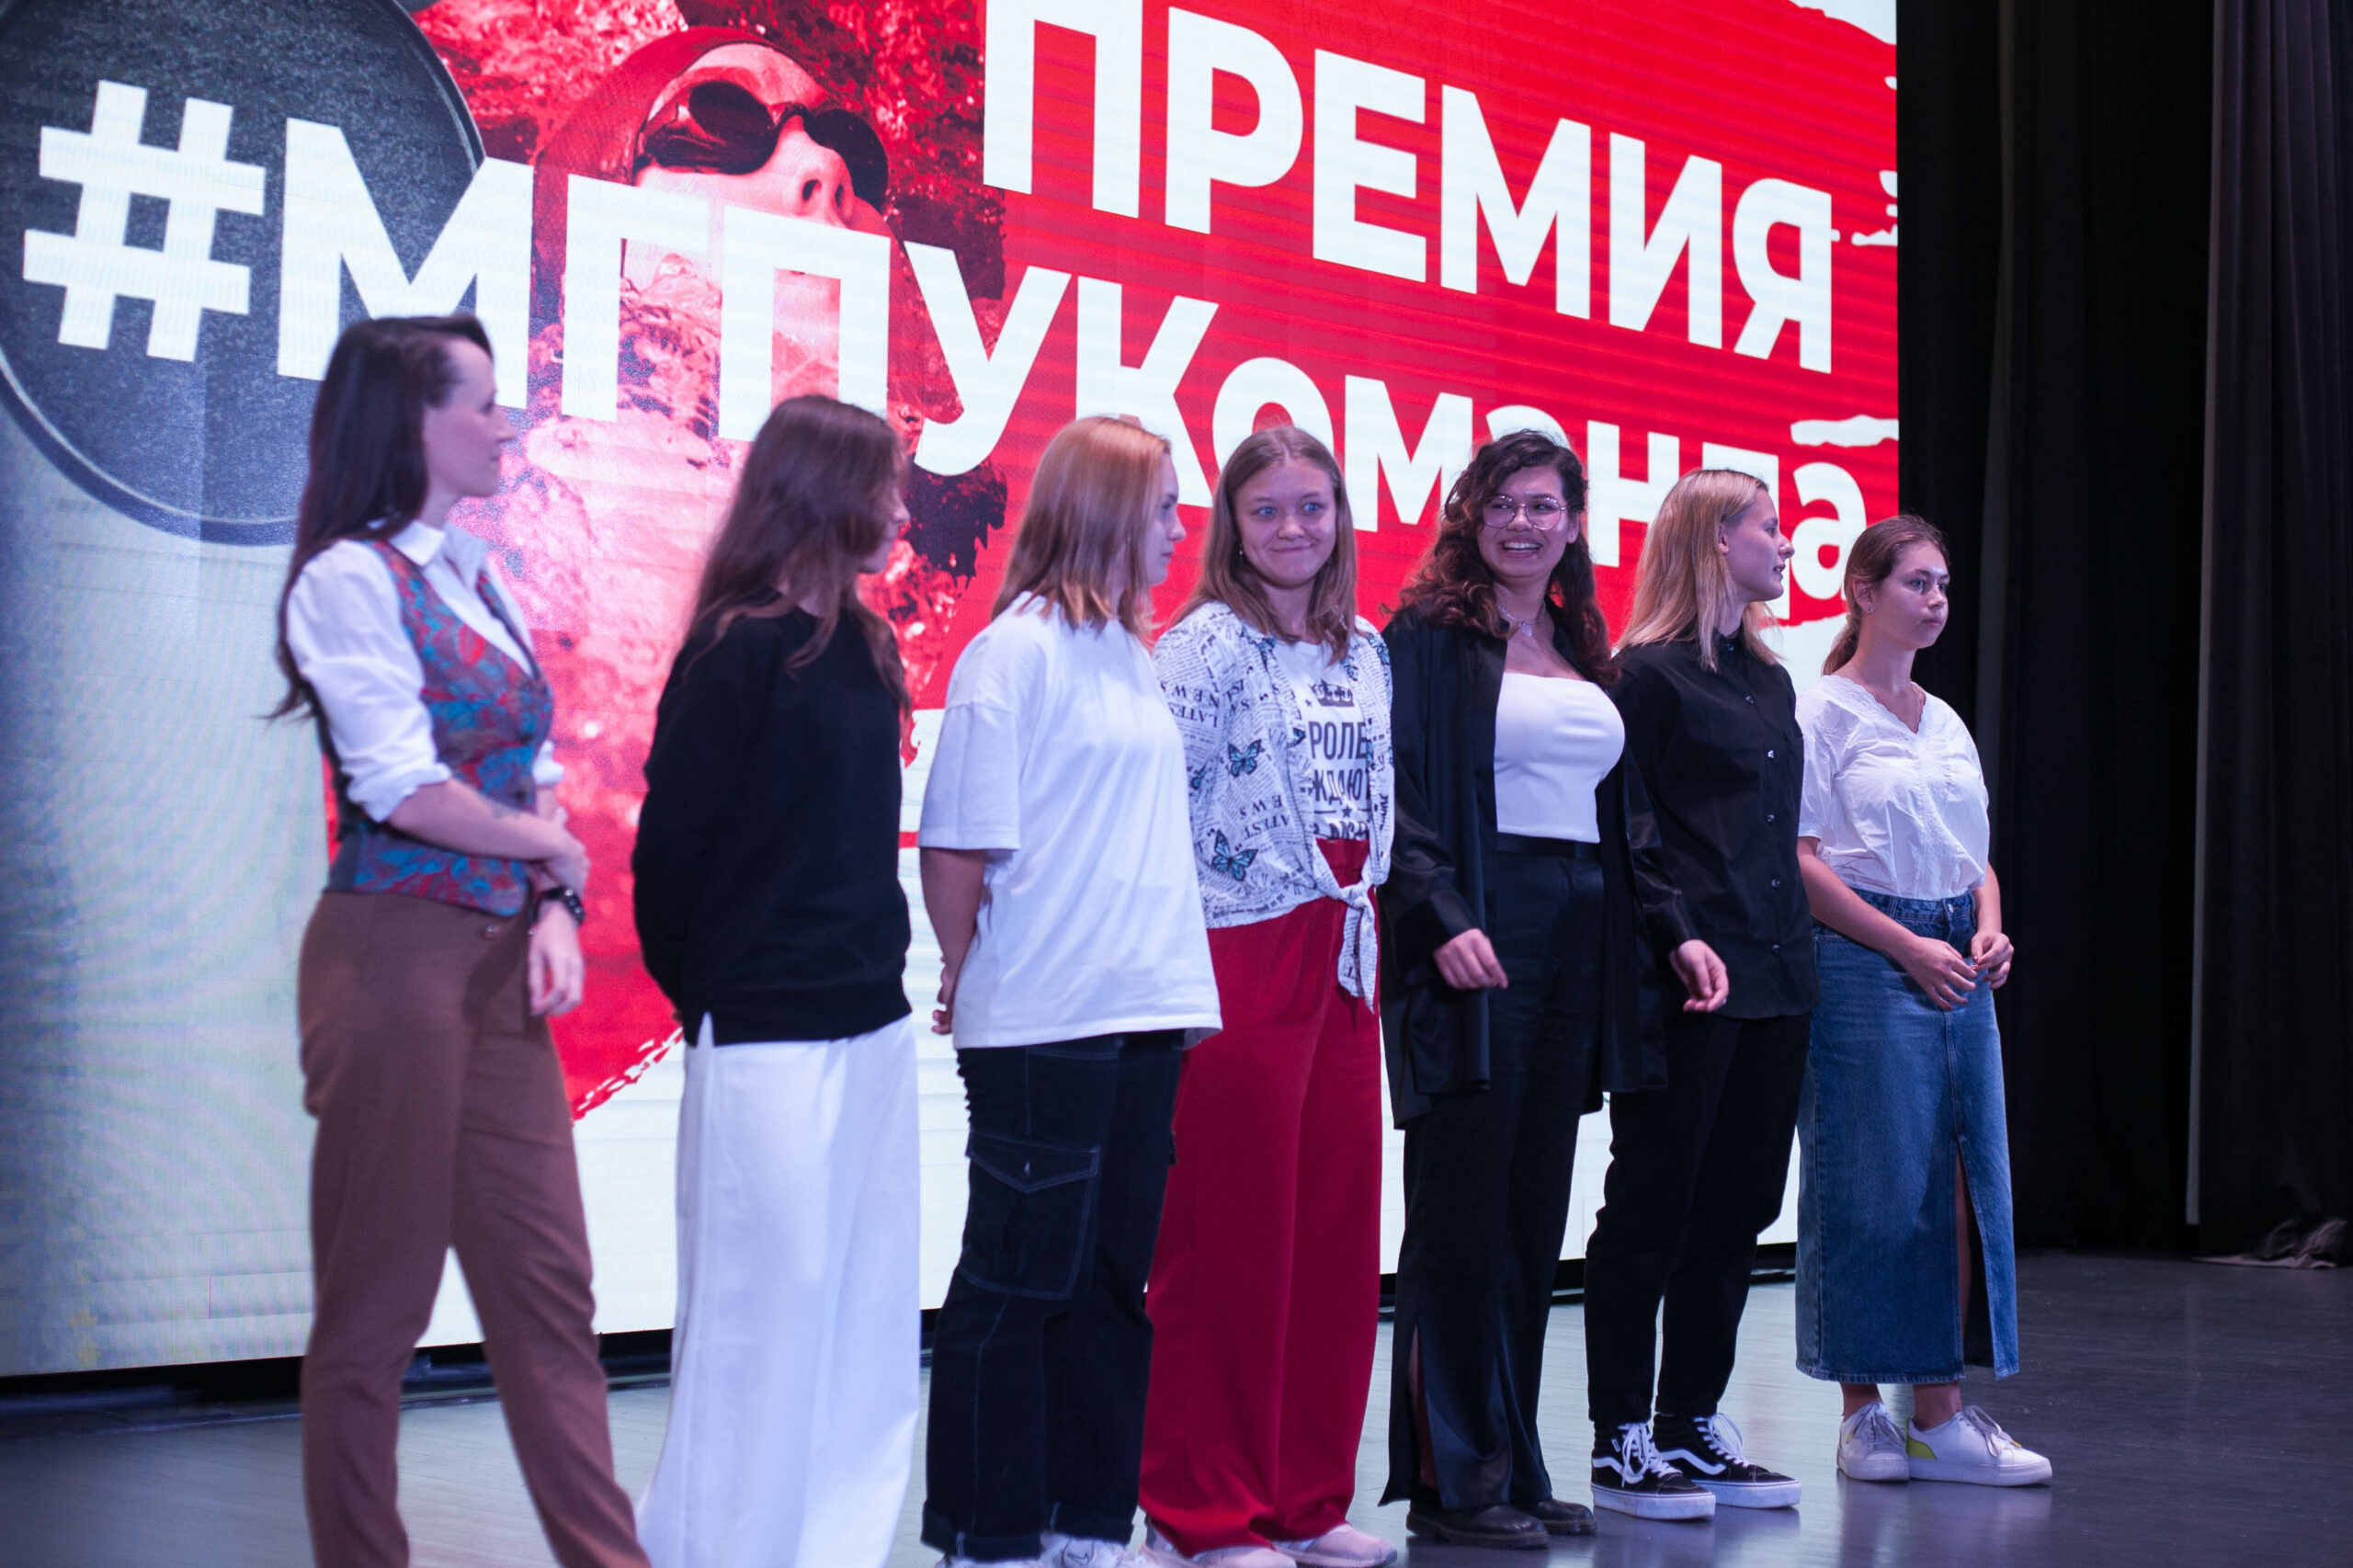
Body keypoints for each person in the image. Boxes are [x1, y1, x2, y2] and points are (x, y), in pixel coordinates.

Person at [274, 314, 647, 1568]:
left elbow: (530, 767)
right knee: (375, 1307)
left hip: (493, 968)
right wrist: (548, 852)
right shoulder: (346, 579)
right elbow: (400, 785)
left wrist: (554, 905)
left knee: (549, 1293)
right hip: (390, 958)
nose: (505, 425)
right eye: (481, 403)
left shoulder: (475, 574)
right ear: (412, 422)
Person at [1377, 431, 1729, 1549]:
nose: (1522, 523)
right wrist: (1439, 916)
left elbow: (1625, 817)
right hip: (1484, 923)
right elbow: (1399, 795)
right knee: (1460, 1213)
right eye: (1501, 502)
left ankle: (1514, 1463)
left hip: (1583, 931)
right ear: (1467, 515)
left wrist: (1674, 932)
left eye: (1543, 505)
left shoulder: (1578, 640)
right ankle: (1452, 1482)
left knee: (1532, 1218)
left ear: (1575, 522)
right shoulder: (1428, 637)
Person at [917, 415, 1222, 1568]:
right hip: (1045, 1017)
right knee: (1016, 1280)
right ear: (1104, 511)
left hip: (1143, 1012)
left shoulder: (1129, 654)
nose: (1179, 528)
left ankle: (1083, 1523)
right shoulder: (1014, 653)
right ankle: (987, 1530)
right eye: (1162, 507)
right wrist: (962, 969)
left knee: (1107, 1286)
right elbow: (956, 845)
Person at [629, 396, 923, 1567]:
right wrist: (723, 993)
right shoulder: (735, 649)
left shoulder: (867, 647)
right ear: (824, 494)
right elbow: (671, 859)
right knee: (761, 1307)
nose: (899, 509)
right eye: (883, 486)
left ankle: (832, 1545)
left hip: (872, 1022)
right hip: (763, 1030)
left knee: (859, 1308)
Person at [1140, 428, 1397, 1568]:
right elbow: (1157, 807)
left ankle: (1302, 1496)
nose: (1293, 528)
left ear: (1339, 516)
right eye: (1267, 510)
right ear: (1231, 527)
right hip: (1236, 943)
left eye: (1312, 506)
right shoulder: (1201, 646)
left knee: (1332, 1232)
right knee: (1227, 1234)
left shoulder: (1367, 648)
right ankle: (1200, 1510)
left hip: (1346, 945)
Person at [1793, 517, 2051, 1487]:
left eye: (1943, 584)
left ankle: (1939, 1415)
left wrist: (1990, 925)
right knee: (1869, 1175)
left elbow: (1973, 856)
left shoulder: (1942, 719)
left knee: (1961, 1178)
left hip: (1956, 959)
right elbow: (1800, 862)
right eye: (1916, 582)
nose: (1936, 599)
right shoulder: (1821, 711)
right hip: (1867, 955)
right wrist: (1904, 944)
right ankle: (1862, 1414)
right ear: (1863, 591)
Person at [1579, 468, 1815, 1520]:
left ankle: (1688, 1419)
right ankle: (1619, 1433)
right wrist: (1677, 935)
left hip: (1777, 973)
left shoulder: (1769, 678)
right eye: (1769, 525)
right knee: (1653, 1201)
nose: (1785, 542)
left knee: (1739, 1205)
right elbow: (1628, 832)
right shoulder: (1645, 677)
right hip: (1687, 979)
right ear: (1715, 539)